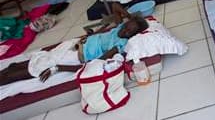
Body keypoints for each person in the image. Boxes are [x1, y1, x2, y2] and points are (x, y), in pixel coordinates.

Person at [0, 6, 148, 86]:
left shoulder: (119, 45)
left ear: (132, 36)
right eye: (126, 26)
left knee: (21, 73)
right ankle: (10, 70)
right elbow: (115, 6)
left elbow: (95, 63)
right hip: (71, 45)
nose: (125, 30)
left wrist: (57, 68)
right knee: (18, 65)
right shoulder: (120, 27)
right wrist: (130, 18)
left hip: (73, 57)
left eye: (129, 31)